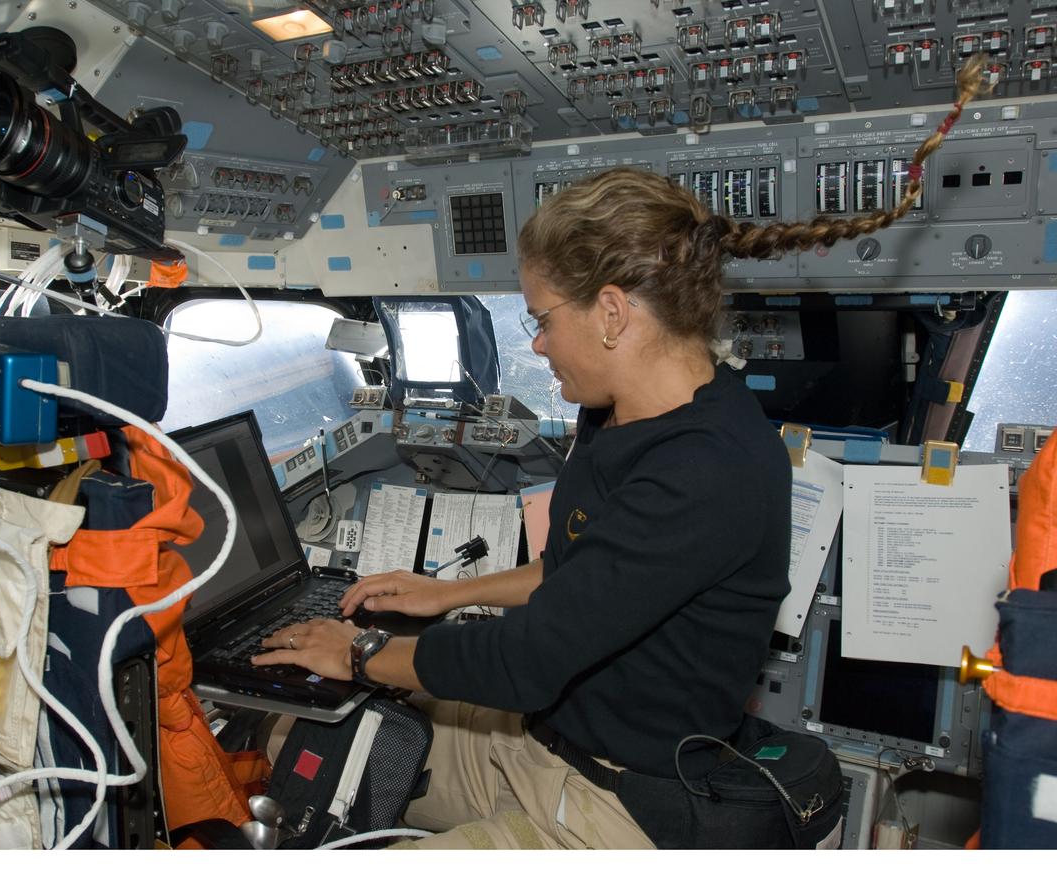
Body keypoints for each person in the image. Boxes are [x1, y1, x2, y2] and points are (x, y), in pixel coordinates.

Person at [251, 59, 989, 849]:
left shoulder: (709, 466)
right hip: (536, 740)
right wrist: (445, 593)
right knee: (292, 735)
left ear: (611, 312)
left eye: (542, 319)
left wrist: (364, 653)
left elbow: (529, 659)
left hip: (615, 805)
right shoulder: (615, 415)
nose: (537, 343)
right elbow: (580, 573)